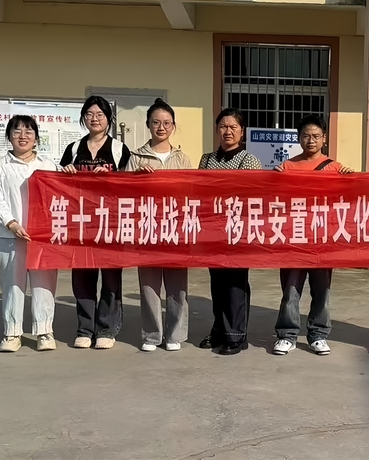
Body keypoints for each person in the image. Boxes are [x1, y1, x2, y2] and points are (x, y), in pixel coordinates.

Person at [271, 114, 353, 357]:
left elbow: (350, 198)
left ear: (324, 138)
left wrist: (351, 178)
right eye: (306, 136)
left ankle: (318, 335)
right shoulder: (286, 167)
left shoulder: (335, 168)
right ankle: (287, 335)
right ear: (298, 138)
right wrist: (273, 179)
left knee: (322, 290)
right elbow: (274, 199)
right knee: (291, 290)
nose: (311, 140)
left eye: (316, 136)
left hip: (322, 239)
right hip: (294, 238)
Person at [60, 95, 131, 350]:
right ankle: (84, 329)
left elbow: (130, 185)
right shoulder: (73, 149)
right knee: (82, 277)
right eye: (89, 114)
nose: (94, 119)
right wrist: (66, 173)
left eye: (100, 114)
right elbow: (59, 187)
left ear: (108, 119)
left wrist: (112, 176)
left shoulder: (119, 149)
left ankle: (107, 329)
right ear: (83, 118)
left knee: (111, 278)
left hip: (111, 223)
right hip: (81, 223)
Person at [0, 115, 58, 353]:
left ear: (36, 137)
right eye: (16, 131)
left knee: (44, 284)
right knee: (12, 285)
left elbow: (59, 198)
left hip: (42, 237)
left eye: (28, 131)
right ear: (9, 136)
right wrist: (12, 224)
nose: (23, 136)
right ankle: (12, 332)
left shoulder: (48, 166)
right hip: (9, 235)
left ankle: (44, 331)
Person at [126, 98, 193, 353]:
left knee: (178, 286)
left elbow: (191, 193)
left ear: (173, 126)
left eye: (166, 123)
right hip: (147, 228)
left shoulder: (182, 158)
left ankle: (175, 334)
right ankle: (152, 334)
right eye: (156, 122)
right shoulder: (135, 157)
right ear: (148, 125)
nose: (161, 127)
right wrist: (136, 178)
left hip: (176, 228)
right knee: (149, 285)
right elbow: (124, 194)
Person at [198, 108, 262, 355]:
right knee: (217, 283)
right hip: (212, 231)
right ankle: (219, 330)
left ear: (242, 132)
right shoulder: (206, 159)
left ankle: (236, 335)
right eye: (223, 126)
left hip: (238, 231)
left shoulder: (249, 160)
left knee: (235, 283)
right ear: (217, 130)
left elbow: (251, 195)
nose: (228, 131)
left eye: (233, 127)